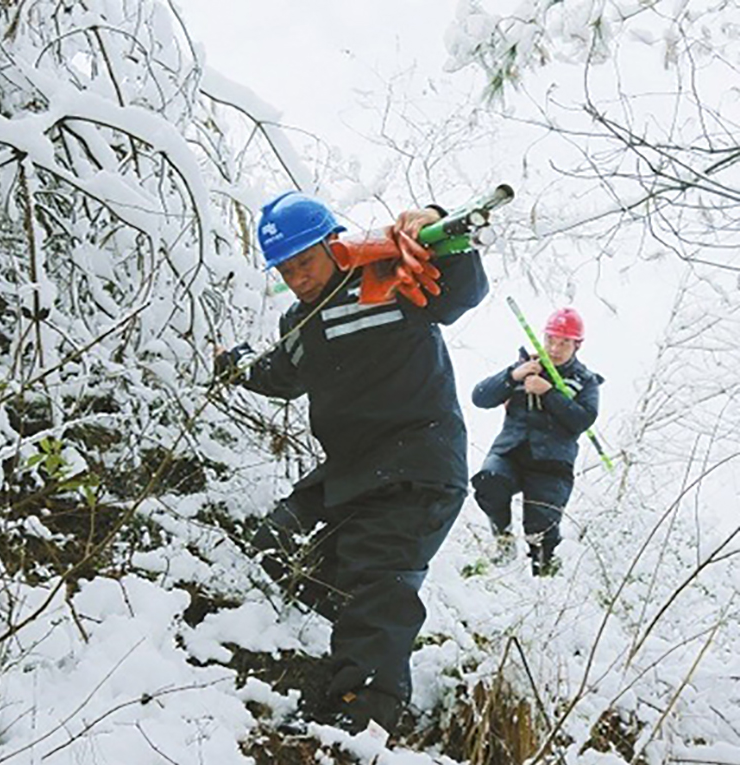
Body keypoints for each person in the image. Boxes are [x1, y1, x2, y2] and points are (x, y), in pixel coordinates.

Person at [216, 190, 488, 734]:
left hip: (417, 465)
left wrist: (437, 224)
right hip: (348, 472)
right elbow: (278, 375)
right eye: (285, 269)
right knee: (276, 542)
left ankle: (360, 719)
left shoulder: (390, 280)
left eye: (305, 261)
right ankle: (377, 628)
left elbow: (462, 289)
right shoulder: (301, 323)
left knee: (375, 578)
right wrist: (234, 367)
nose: (298, 276)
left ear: (333, 244)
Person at [470, 308, 603, 576]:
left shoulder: (586, 382)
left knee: (541, 534)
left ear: (577, 345)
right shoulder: (523, 366)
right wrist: (512, 376)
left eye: (564, 342)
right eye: (551, 339)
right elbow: (480, 397)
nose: (555, 348)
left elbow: (582, 420)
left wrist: (550, 393)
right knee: (488, 481)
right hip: (510, 451)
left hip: (552, 463)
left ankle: (543, 586)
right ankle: (503, 540)